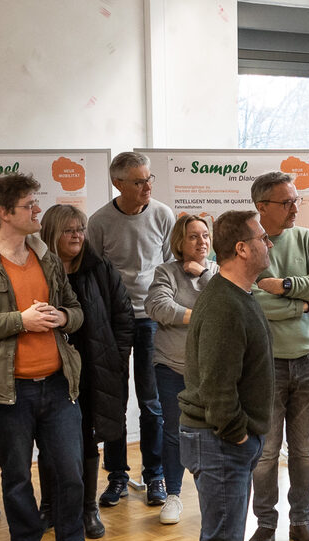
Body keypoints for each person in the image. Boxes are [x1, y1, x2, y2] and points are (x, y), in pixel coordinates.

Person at [0, 173, 100, 541]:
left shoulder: (47, 258)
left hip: (57, 382)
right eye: (29, 205)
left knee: (70, 468)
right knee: (16, 474)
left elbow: (76, 310)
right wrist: (21, 320)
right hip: (7, 390)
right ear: (4, 213)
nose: (38, 210)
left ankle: (71, 539)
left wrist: (63, 317)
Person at [179, 210, 276, 541]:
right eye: (261, 238)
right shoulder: (222, 304)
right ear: (241, 248)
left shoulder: (237, 294)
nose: (268, 244)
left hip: (229, 440)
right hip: (218, 441)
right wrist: (239, 432)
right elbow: (218, 387)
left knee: (225, 539)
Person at [247, 172, 309, 541]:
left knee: (303, 451)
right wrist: (301, 304)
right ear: (262, 207)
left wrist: (284, 287)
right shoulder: (248, 243)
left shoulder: (306, 238)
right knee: (266, 453)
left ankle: (301, 522)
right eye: (287, 202)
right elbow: (250, 300)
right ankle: (266, 525)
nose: (295, 208)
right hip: (266, 364)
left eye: (296, 200)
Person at [38, 204, 134, 540]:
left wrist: (117, 356)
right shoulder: (38, 268)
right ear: (52, 233)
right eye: (69, 230)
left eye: (81, 228)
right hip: (53, 369)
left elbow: (123, 316)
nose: (78, 235)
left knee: (88, 440)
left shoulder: (99, 267)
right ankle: (49, 506)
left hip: (96, 369)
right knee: (52, 442)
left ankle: (87, 508)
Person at [87, 152, 174, 509]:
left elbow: (172, 267)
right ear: (118, 184)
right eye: (138, 181)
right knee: (114, 401)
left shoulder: (163, 214)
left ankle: (155, 475)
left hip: (153, 317)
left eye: (149, 179)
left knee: (152, 403)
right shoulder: (100, 221)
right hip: (115, 320)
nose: (147, 186)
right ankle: (118, 476)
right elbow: (92, 273)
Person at [145, 214, 219, 525]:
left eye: (205, 236)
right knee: (175, 431)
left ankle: (213, 497)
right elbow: (157, 307)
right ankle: (173, 495)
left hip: (210, 369)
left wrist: (201, 274)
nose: (201, 241)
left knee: (212, 433)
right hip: (172, 367)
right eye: (193, 237)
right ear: (179, 241)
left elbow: (226, 306)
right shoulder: (166, 272)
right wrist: (200, 316)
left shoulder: (216, 272)